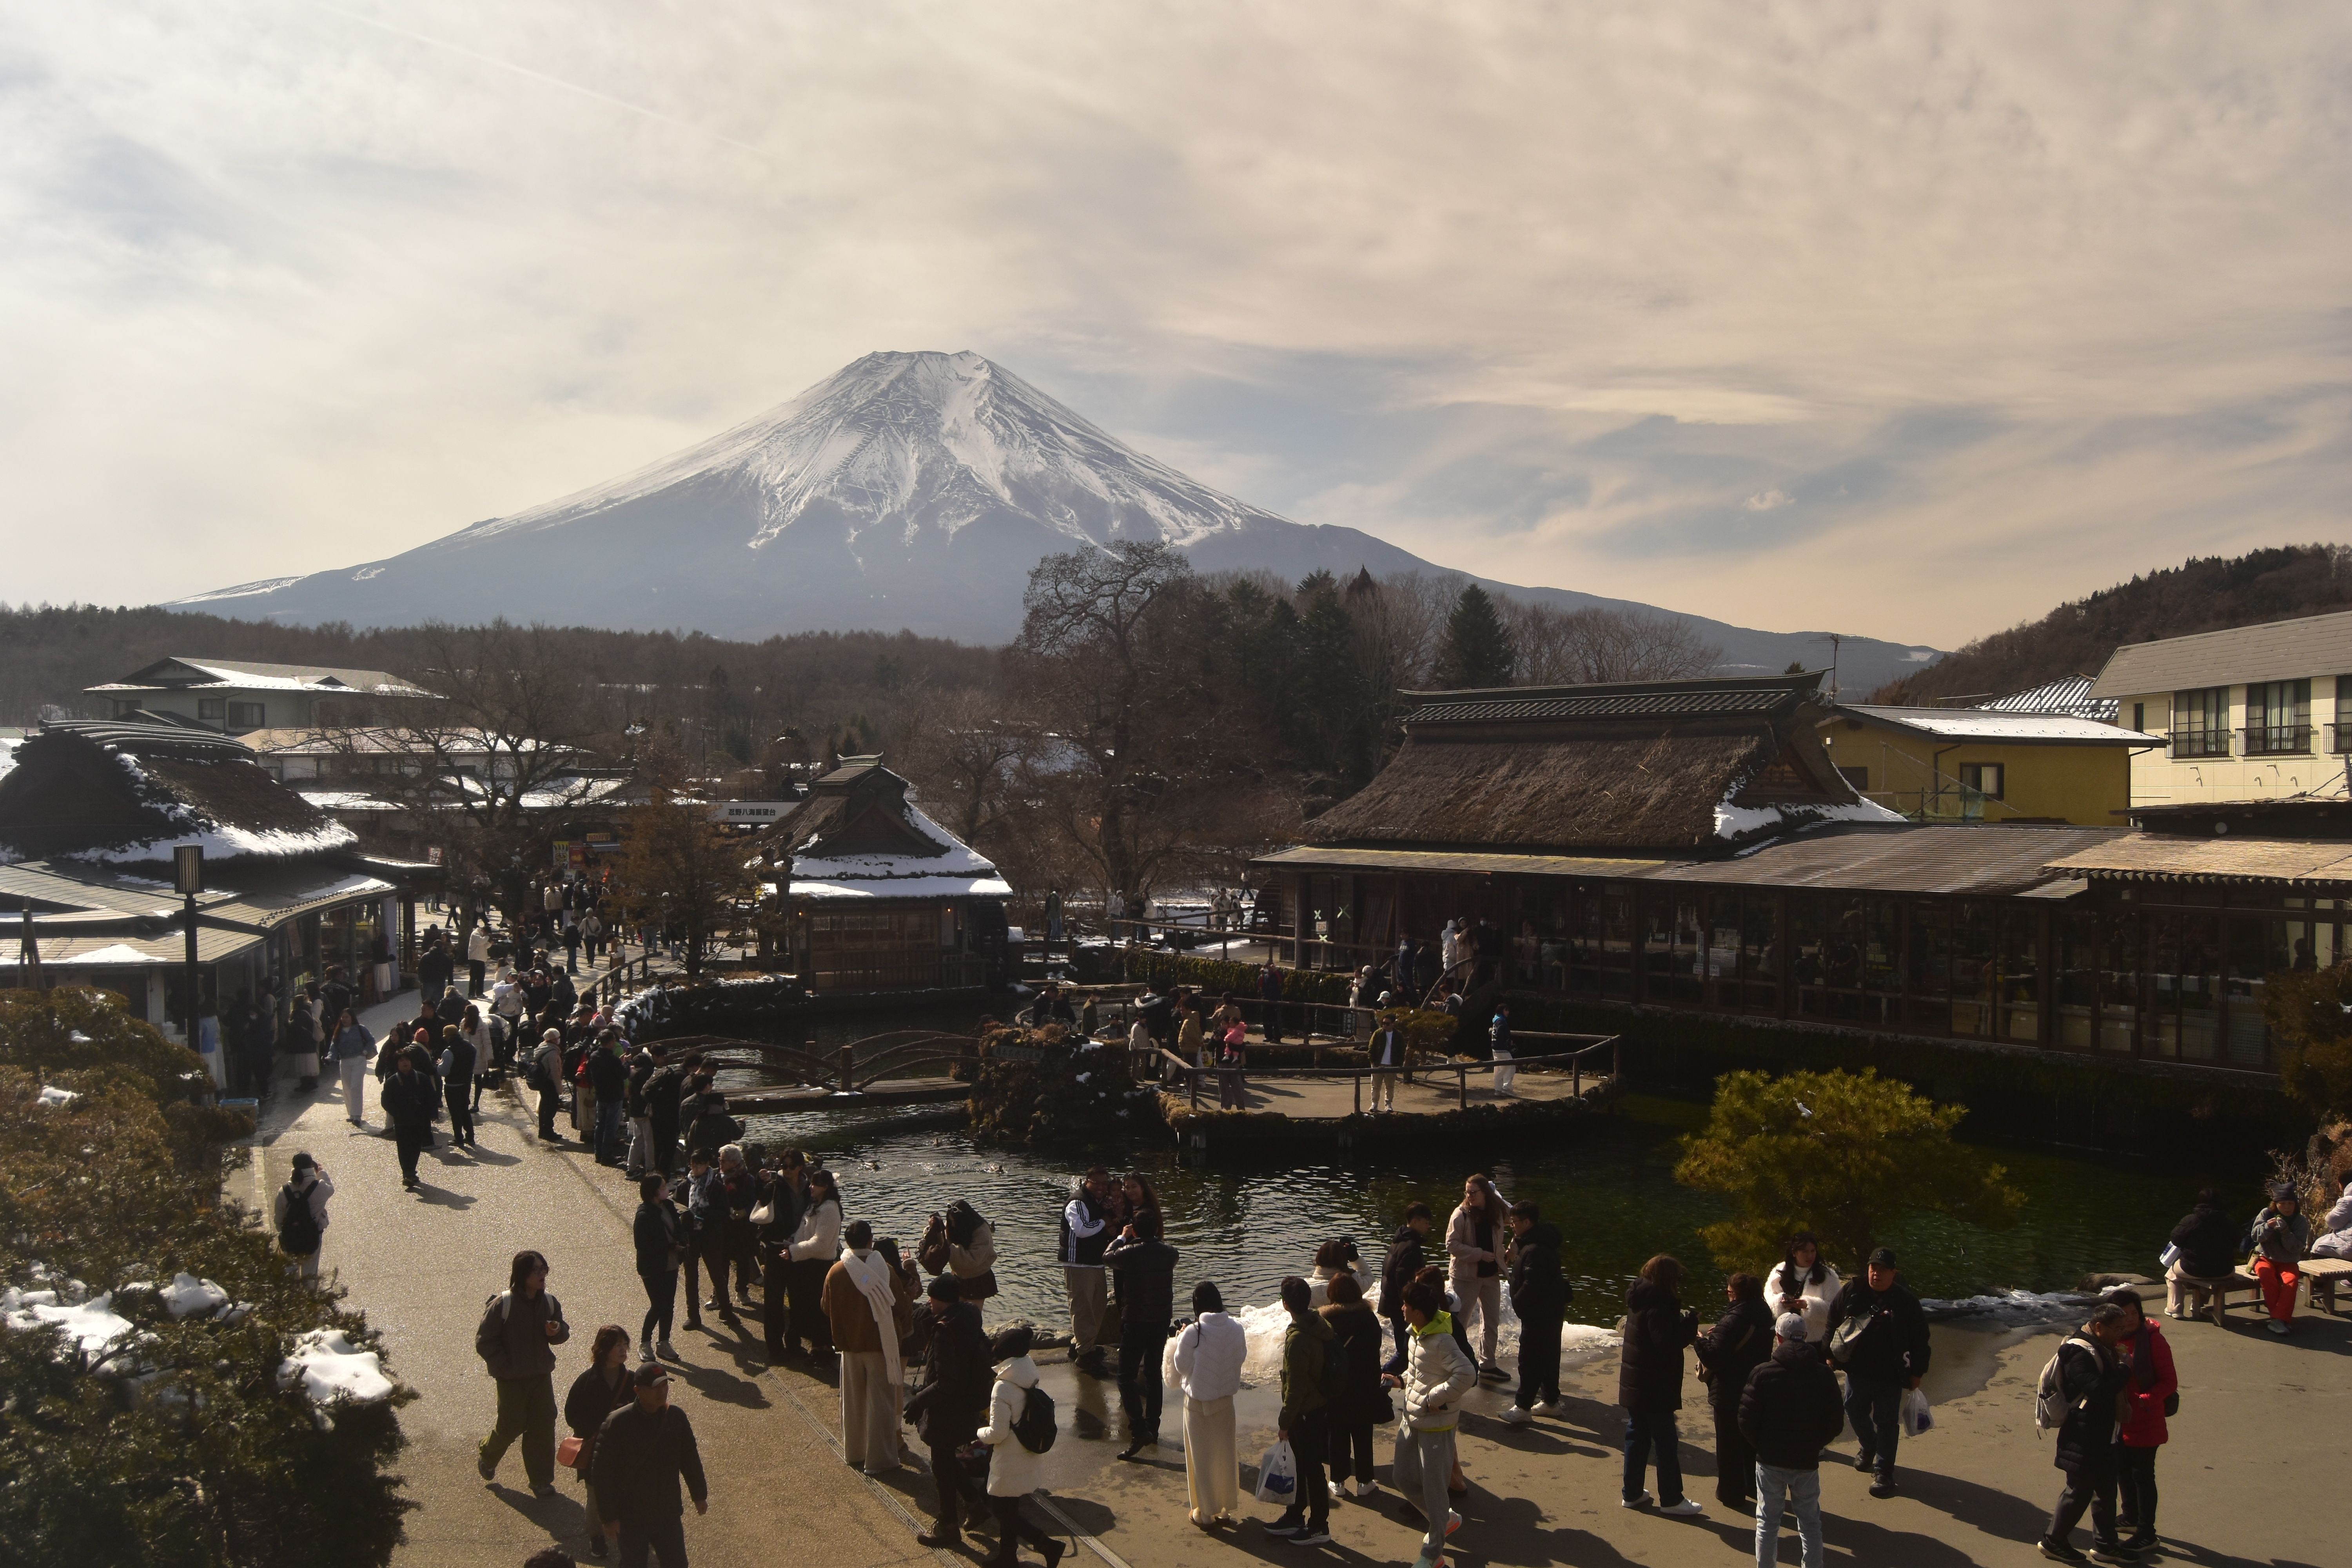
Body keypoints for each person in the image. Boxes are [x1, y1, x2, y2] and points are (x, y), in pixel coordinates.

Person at [1384, 1269, 1476, 1568]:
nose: (1402, 1309)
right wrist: (1399, 1381)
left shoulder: (1443, 1341)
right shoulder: (1416, 1336)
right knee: (1401, 1477)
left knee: (1435, 1489)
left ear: (1419, 1312)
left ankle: (1434, 1553)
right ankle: (1444, 1520)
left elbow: (1467, 1374)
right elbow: (1421, 1373)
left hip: (1437, 1425)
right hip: (1412, 1419)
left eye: (1406, 1306)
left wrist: (1436, 1398)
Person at [1738, 1312, 1846, 1568]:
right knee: (1810, 1523)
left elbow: (1745, 1420)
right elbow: (1835, 1422)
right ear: (1806, 1337)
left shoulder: (1762, 1373)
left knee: (1768, 1522)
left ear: (1779, 1338)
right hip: (1806, 1461)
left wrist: (1762, 1446)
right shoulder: (1823, 1375)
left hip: (1770, 1460)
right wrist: (1816, 1444)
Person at [1822, 1246, 1931, 1497]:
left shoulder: (1905, 1301)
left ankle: (1884, 1472)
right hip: (1857, 1371)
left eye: (1883, 1270)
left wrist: (1918, 1373)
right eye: (1873, 1268)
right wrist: (1828, 1353)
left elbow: (1920, 1339)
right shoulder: (1853, 1291)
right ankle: (1869, 1446)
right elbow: (1833, 1321)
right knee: (1853, 1410)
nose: (1876, 1274)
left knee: (1886, 1422)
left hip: (1890, 1375)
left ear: (1894, 1273)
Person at [2037, 1299, 2137, 1564]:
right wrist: (2125, 1368)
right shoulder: (2077, 1352)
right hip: (2083, 1435)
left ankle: (2106, 1545)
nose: (2121, 1334)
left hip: (2104, 1434)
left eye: (2123, 1328)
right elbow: (2099, 1391)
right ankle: (2053, 1541)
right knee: (2078, 1492)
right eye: (2116, 1328)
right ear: (2098, 1326)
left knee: (2106, 1492)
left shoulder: (2102, 1347)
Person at [823, 1219, 918, 1474]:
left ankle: (854, 1452)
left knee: (853, 1404)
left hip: (850, 1346)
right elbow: (900, 1305)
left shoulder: (837, 1271)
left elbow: (826, 1307)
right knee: (881, 1404)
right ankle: (881, 1459)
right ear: (870, 1241)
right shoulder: (884, 1269)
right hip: (881, 1345)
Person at [591, 1362, 708, 1568]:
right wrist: (609, 1518)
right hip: (631, 1517)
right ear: (638, 1391)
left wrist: (699, 1495)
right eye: (655, 1387)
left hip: (667, 1514)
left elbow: (689, 1458)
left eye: (665, 1385)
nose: (662, 1392)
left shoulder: (676, 1417)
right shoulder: (618, 1423)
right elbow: (602, 1473)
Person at [477, 1249, 572, 1498]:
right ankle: (488, 1454)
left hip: (541, 1376)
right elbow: (485, 1342)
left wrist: (557, 1331)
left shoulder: (550, 1302)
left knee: (543, 1425)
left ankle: (541, 1481)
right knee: (511, 1425)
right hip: (511, 1380)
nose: (543, 1275)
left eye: (545, 1269)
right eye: (537, 1270)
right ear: (523, 1274)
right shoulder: (503, 1304)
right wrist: (505, 1368)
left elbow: (562, 1332)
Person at [907, 1274, 993, 1547]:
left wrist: (919, 1401)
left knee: (941, 1468)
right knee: (946, 1460)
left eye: (932, 1298)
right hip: (966, 1405)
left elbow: (945, 1382)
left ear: (941, 1300)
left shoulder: (945, 1330)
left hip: (947, 1410)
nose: (929, 1302)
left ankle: (948, 1527)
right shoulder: (968, 1319)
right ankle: (974, 1504)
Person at [973, 1325, 1068, 1568]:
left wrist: (978, 1432)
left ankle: (1046, 1544)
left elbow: (998, 1433)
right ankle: (1008, 1557)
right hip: (1025, 1452)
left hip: (1008, 1457)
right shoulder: (1028, 1376)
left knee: (998, 1508)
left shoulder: (1002, 1387)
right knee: (1010, 1506)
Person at [1619, 1253, 1704, 1515]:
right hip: (1655, 1385)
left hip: (1637, 1382)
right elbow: (1666, 1343)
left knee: (1637, 1437)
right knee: (1666, 1442)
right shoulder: (1658, 1305)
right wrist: (1690, 1324)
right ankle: (1671, 1499)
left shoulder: (1640, 1298)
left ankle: (1632, 1493)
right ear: (1669, 1279)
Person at [1263, 1276, 1337, 1544]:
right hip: (1318, 1406)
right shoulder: (1318, 1324)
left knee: (1311, 1469)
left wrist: (1285, 1422)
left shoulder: (1298, 1340)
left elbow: (1295, 1388)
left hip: (1305, 1412)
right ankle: (1296, 1515)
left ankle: (1318, 1526)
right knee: (1305, 1466)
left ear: (1285, 1305)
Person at [1695, 1272, 1776, 1510]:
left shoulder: (1733, 1320)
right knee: (1750, 1442)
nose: (1728, 1296)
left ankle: (1731, 1493)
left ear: (1737, 1294)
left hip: (1729, 1390)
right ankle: (1752, 1486)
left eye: (1729, 1292)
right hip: (1754, 1387)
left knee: (1728, 1445)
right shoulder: (1763, 1314)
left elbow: (1714, 1358)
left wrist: (1699, 1340)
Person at [1172, 1282, 1249, 1530]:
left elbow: (1181, 1366)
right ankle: (1225, 1509)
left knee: (1201, 1459)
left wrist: (1180, 1337)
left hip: (1197, 1404)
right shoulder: (1236, 1328)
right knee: (1225, 1457)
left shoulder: (1194, 1332)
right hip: (1226, 1402)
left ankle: (1204, 1512)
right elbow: (1241, 1357)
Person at [1104, 1214, 1178, 1459]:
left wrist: (1121, 1238)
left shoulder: (1130, 1252)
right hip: (1160, 1321)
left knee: (1125, 1377)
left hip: (1136, 1321)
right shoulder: (1170, 1253)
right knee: (1153, 1373)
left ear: (1134, 1231)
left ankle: (1139, 1430)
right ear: (1157, 1229)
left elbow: (1107, 1258)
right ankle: (1152, 1428)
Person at [2110, 1287, 2175, 1555]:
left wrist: (2144, 1400)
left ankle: (2147, 1533)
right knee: (2123, 1470)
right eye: (2123, 1315)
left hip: (2146, 1419)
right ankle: (2131, 1517)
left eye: (2134, 1313)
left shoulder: (2154, 1342)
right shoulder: (2111, 1340)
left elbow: (2169, 1382)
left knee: (2143, 1476)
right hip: (2121, 1419)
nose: (2130, 1319)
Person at [566, 1326, 638, 1559]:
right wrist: (601, 1425)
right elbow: (572, 1415)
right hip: (597, 1450)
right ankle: (596, 1537)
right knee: (596, 1497)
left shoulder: (633, 1380)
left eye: (625, 1344)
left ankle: (630, 1534)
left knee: (627, 1493)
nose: (623, 1349)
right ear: (604, 1349)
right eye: (618, 1345)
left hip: (626, 1450)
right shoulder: (587, 1381)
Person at [1500, 1200, 1567, 1423]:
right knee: (1548, 1357)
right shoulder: (1538, 1242)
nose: (1512, 1227)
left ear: (1527, 1222)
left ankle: (1523, 1407)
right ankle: (1550, 1402)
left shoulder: (1536, 1250)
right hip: (1550, 1310)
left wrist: (1517, 1303)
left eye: (1514, 1223)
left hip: (1540, 1313)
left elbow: (1533, 1285)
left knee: (1530, 1359)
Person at [1320, 1272, 1385, 1499]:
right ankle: (1365, 1481)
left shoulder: (1327, 1323)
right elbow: (1374, 1351)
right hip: (1365, 1386)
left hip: (1337, 1387)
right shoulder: (1369, 1319)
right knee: (1363, 1433)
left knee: (1336, 1434)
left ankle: (1337, 1481)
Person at [1445, 1174, 1508, 1376]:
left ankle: (1488, 1365)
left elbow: (1517, 1218)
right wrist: (1480, 1254)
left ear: (1485, 1193)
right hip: (1465, 1277)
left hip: (1491, 1276)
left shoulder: (1496, 1212)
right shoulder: (1460, 1214)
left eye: (1474, 1192)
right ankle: (1453, 1365)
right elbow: (1452, 1245)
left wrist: (1509, 1251)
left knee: (1491, 1321)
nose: (1470, 1196)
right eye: (1467, 1192)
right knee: (1459, 1322)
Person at [1059, 1167, 1113, 1376]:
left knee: (1097, 1307)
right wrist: (1103, 1222)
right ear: (1086, 1182)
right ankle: (1086, 1356)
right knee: (1083, 1309)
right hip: (1078, 1264)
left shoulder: (1100, 1203)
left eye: (1104, 1183)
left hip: (1096, 1262)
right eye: (1096, 1183)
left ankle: (1080, 1345)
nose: (1101, 1187)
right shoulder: (1078, 1202)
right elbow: (1081, 1230)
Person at [757, 1149, 809, 1364]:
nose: (786, 1170)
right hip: (776, 1248)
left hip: (799, 1249)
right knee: (774, 1300)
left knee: (798, 1299)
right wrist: (761, 1182)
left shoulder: (809, 1188)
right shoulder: (775, 1186)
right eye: (784, 1165)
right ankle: (775, 1348)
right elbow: (760, 1204)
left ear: (800, 1168)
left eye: (791, 1166)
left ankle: (795, 1344)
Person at [785, 1167, 844, 1358]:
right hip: (807, 1263)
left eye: (815, 1184)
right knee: (809, 1308)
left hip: (819, 1266)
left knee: (819, 1310)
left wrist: (794, 1251)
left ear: (825, 1187)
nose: (811, 1187)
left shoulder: (829, 1209)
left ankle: (824, 1350)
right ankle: (818, 1348)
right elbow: (804, 1233)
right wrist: (791, 1242)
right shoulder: (815, 1205)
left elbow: (821, 1243)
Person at [2163, 1187, 2243, 1319]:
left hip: (2192, 1269)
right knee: (2210, 1272)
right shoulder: (2229, 1223)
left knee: (2173, 1273)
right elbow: (2237, 1243)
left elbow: (2176, 1239)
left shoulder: (2190, 1220)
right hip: (2224, 1271)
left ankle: (2175, 1309)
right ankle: (2197, 1305)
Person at [2245, 1182, 2311, 1335]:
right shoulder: (2266, 1214)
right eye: (2283, 1204)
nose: (2287, 1207)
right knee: (2267, 1276)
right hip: (2264, 1257)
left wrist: (2286, 1233)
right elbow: (2255, 1236)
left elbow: (2296, 1247)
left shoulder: (2300, 1221)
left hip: (2288, 1260)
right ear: (2276, 1204)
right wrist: (2268, 1227)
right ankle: (2280, 1319)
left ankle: (2277, 1319)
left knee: (2292, 1281)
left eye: (2291, 1204)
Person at [634, 1175, 685, 1362]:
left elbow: (678, 1228)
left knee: (668, 1305)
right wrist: (670, 1246)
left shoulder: (669, 1207)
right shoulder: (644, 1215)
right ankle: (645, 1343)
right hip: (652, 1267)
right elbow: (642, 1245)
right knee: (659, 1305)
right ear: (655, 1191)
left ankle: (664, 1342)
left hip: (670, 1264)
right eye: (664, 1186)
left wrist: (682, 1241)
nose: (667, 1189)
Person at [1380, 1203, 1435, 1374]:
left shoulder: (1398, 1242)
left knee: (1404, 1350)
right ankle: (1382, 1378)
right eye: (1426, 1222)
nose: (1428, 1226)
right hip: (1403, 1308)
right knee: (1405, 1353)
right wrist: (1411, 1306)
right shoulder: (1411, 1247)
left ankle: (1385, 1379)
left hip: (1393, 1304)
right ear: (1416, 1221)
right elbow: (1404, 1281)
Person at [920, 1196, 1000, 1301]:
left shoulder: (982, 1232)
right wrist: (932, 1230)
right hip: (959, 1275)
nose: (952, 1225)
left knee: (973, 1314)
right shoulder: (952, 1224)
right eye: (951, 1222)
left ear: (964, 1221)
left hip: (978, 1277)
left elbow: (971, 1260)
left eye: (954, 1222)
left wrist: (948, 1248)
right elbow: (943, 1236)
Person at [381, 1046, 438, 1192]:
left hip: (420, 1119)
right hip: (401, 1121)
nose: (405, 1063)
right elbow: (386, 1102)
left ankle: (411, 1171)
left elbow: (431, 1096)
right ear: (397, 1064)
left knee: (416, 1146)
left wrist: (432, 1113)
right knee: (404, 1147)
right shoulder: (393, 1082)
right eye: (401, 1061)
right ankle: (408, 1173)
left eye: (407, 1060)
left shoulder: (421, 1078)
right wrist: (397, 1113)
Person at [272, 1151, 333, 1282]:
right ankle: (310, 1298)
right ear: (311, 1166)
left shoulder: (284, 1191)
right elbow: (331, 1189)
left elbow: (278, 1221)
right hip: (312, 1236)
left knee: (291, 1274)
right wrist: (321, 1173)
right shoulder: (320, 1187)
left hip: (290, 1240)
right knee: (310, 1274)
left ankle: (294, 1299)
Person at [1771, 1232, 1840, 1345]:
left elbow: (1836, 1310)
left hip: (1816, 1342)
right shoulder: (1780, 1271)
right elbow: (1769, 1301)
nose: (1810, 1256)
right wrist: (1781, 1303)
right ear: (1794, 1253)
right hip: (1785, 1340)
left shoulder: (1828, 1276)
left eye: (1813, 1251)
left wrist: (1808, 1305)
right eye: (1805, 1252)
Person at [590, 1031, 630, 1167]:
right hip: (614, 1096)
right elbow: (623, 1074)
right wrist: (625, 1064)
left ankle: (598, 1153)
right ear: (611, 1042)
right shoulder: (612, 1060)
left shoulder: (594, 1056)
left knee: (600, 1124)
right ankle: (607, 1156)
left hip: (601, 1094)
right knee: (611, 1127)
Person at [330, 1008, 374, 1125]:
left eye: (347, 1017)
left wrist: (365, 1052)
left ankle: (357, 1116)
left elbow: (371, 1040)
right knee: (347, 1088)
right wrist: (329, 1058)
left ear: (352, 1018)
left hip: (358, 1060)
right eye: (343, 1017)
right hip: (345, 1062)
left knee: (356, 1086)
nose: (344, 1019)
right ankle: (352, 1113)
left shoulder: (360, 1029)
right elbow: (334, 1047)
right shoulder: (339, 1032)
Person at [439, 1023, 478, 1150]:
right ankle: (470, 1136)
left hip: (452, 1086)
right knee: (464, 1110)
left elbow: (444, 1071)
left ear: (448, 1037)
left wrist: (439, 1064)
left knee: (455, 1113)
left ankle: (459, 1139)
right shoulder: (470, 1047)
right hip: (466, 1084)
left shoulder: (448, 1052)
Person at [533, 1028, 567, 1142]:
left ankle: (542, 1131)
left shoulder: (542, 1048)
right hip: (550, 1083)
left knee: (544, 1107)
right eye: (557, 1038)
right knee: (551, 1109)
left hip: (543, 1082)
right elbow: (555, 1073)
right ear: (552, 1040)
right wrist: (560, 1088)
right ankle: (548, 1131)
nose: (558, 1040)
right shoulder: (552, 1053)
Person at [1369, 1014, 1409, 1112]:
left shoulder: (1398, 1036)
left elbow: (1402, 1051)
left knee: (1390, 1087)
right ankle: (1374, 1104)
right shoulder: (1378, 1033)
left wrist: (1399, 1064)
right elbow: (1371, 1047)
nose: (1385, 1026)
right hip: (1378, 1064)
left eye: (1387, 1024)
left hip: (1392, 1065)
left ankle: (1388, 1104)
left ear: (1393, 1024)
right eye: (1383, 1023)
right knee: (1375, 1086)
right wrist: (1373, 1062)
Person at [2311, 1171, 2352, 1258]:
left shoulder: (2348, 1201)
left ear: (2342, 1185)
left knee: (2319, 1246)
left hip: (2349, 1248)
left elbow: (2332, 1222)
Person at [1257, 962, 1287, 1044]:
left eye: (1270, 969)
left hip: (1275, 1000)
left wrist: (1275, 970)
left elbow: (1281, 979)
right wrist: (1262, 975)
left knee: (1276, 1020)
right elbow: (1259, 985)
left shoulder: (1276, 975)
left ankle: (1277, 1037)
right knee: (1266, 1019)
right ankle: (1268, 1036)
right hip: (1266, 1000)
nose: (1269, 971)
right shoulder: (1264, 977)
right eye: (1267, 969)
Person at [1488, 1002, 1514, 1095]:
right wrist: (1507, 1041)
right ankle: (1507, 1088)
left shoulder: (1496, 1020)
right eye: (1506, 1010)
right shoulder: (1501, 1022)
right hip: (1502, 1048)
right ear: (1502, 1011)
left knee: (1499, 1068)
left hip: (1495, 1047)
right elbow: (1500, 1034)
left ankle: (1498, 1089)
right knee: (1511, 1067)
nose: (1508, 1012)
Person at [467, 921, 492, 996]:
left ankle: (480, 993)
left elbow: (485, 947)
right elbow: (480, 942)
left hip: (481, 959)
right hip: (475, 959)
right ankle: (471, 993)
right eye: (487, 933)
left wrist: (490, 943)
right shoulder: (475, 934)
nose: (487, 935)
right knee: (473, 977)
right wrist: (488, 937)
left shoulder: (483, 937)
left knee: (481, 977)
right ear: (483, 931)